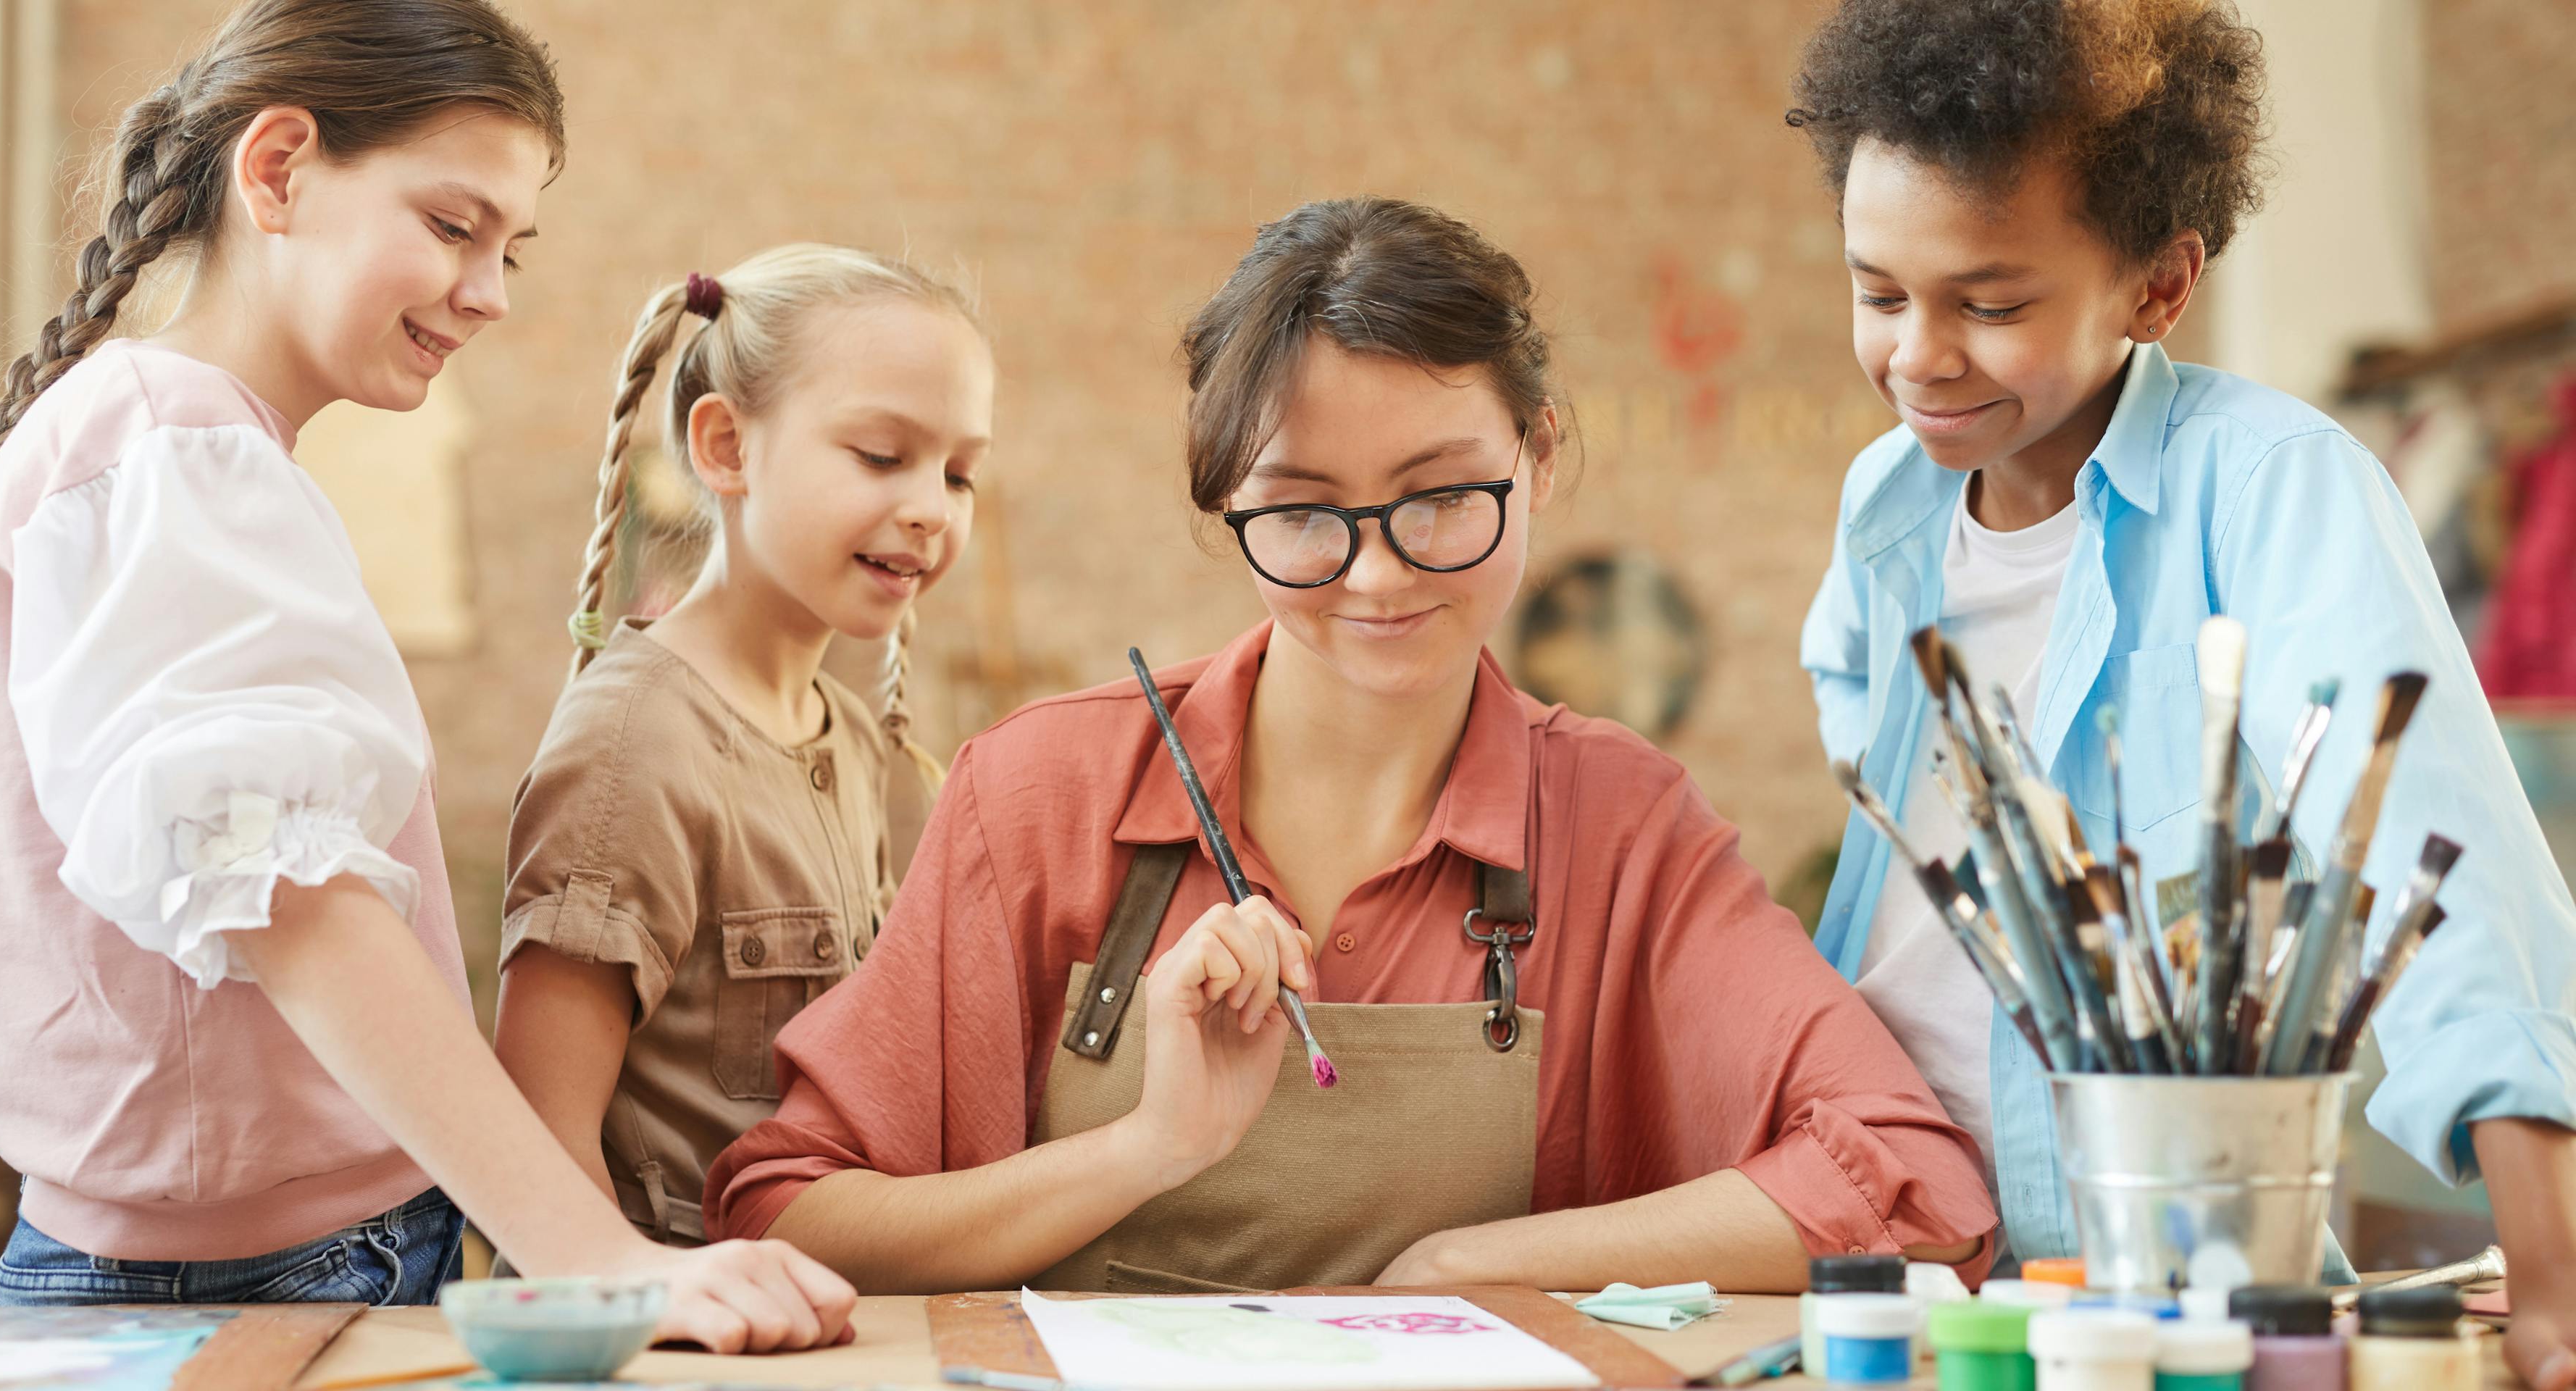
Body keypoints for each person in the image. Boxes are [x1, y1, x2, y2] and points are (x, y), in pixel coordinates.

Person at [712, 196, 1996, 1295]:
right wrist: (1145, 1147)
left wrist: (1472, 1266)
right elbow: (785, 1211)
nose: (1377, 575)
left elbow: (1916, 1189)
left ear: (1538, 458)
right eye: (1305, 514)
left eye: (1442, 497)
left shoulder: (1620, 825)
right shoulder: (1042, 794)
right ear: (1229, 504)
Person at [0, 0, 851, 1348]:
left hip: (231, 1260)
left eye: (509, 248)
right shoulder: (173, 453)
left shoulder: (158, 444)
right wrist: (594, 1253)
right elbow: (294, 902)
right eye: (451, 226)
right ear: (277, 170)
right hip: (266, 1279)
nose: (489, 292)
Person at [1789, 4, 2576, 1384]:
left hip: (2143, 1273)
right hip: (1888, 1231)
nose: (1918, 354)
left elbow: (2434, 857)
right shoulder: (1883, 504)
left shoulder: (2269, 489)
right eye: (1878, 292)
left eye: (1990, 303)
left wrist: (2555, 1274)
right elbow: (1866, 754)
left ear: (2159, 285)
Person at [495, 246, 991, 1246]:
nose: (933, 508)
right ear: (725, 447)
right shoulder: (634, 746)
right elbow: (536, 1137)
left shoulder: (849, 739)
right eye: (882, 456)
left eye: (960, 472)